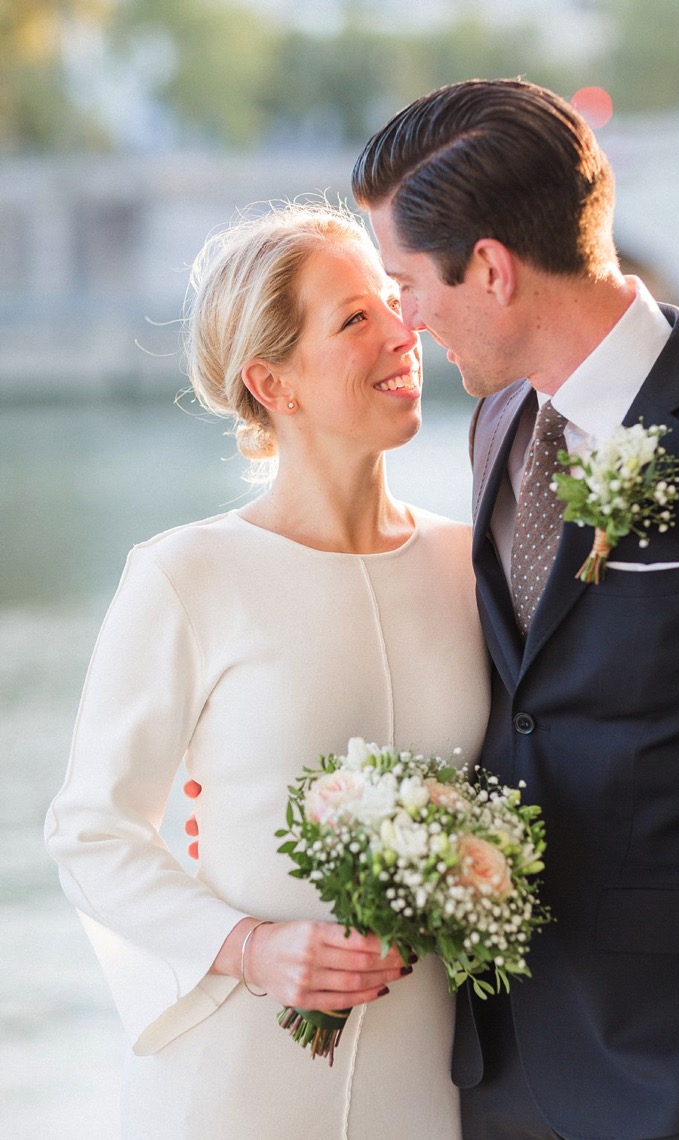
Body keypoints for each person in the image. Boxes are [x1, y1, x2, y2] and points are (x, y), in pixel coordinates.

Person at [350, 79, 679, 1138]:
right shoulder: (494, 424)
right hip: (499, 1062)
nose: (403, 317)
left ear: (489, 268)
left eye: (404, 282)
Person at [43, 202, 487, 1138]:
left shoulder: (470, 564)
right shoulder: (186, 574)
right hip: (239, 1079)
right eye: (353, 319)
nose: (403, 331)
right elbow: (91, 831)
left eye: (391, 302)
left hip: (428, 1076)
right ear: (270, 382)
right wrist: (250, 949)